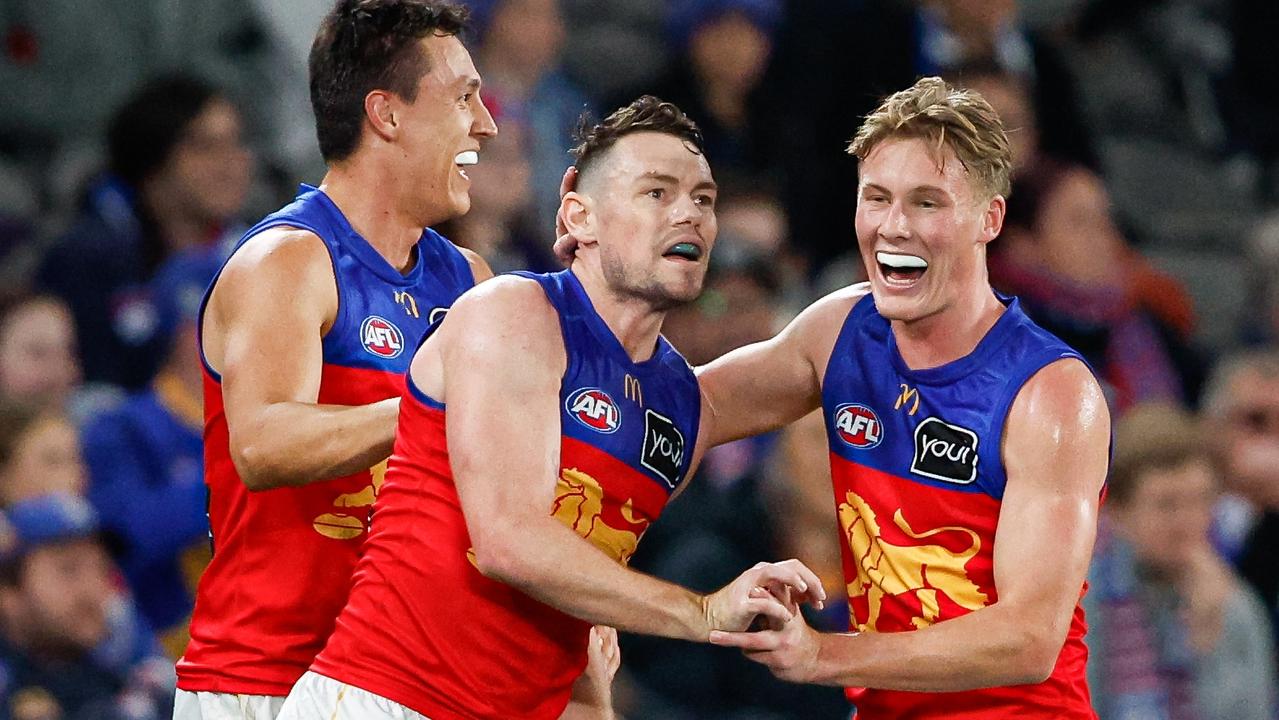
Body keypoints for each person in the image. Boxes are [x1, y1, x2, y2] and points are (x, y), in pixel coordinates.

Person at [279, 96, 824, 720]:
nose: (690, 214)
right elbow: (508, 542)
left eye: (703, 198)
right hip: (383, 701)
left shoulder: (683, 405)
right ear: (578, 216)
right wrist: (700, 612)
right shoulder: (514, 313)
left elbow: (813, 357)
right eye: (657, 192)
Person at [690, 77, 1111, 718]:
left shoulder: (1050, 393)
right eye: (877, 198)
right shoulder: (840, 331)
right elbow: (693, 408)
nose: (894, 226)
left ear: (989, 219)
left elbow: (1030, 639)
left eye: (927, 203)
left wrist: (824, 655)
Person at [173, 1, 497, 717]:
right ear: (386, 114)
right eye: (464, 98)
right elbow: (260, 443)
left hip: (408, 681)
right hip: (264, 680)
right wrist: (432, 405)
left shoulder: (470, 280)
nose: (487, 123)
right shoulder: (288, 259)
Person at [38, 74, 253, 391]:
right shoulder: (85, 259)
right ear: (153, 158)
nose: (231, 164)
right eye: (206, 147)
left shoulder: (264, 252)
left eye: (236, 143)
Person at [1086, 402, 1276, 720]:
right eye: (1167, 505)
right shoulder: (1082, 598)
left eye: (1200, 500)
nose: (1188, 523)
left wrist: (1213, 643)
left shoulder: (1233, 603)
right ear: (1117, 511)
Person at [0, 493, 173, 720]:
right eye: (68, 569)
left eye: (102, 569)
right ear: (8, 591)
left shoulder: (125, 669)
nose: (94, 590)